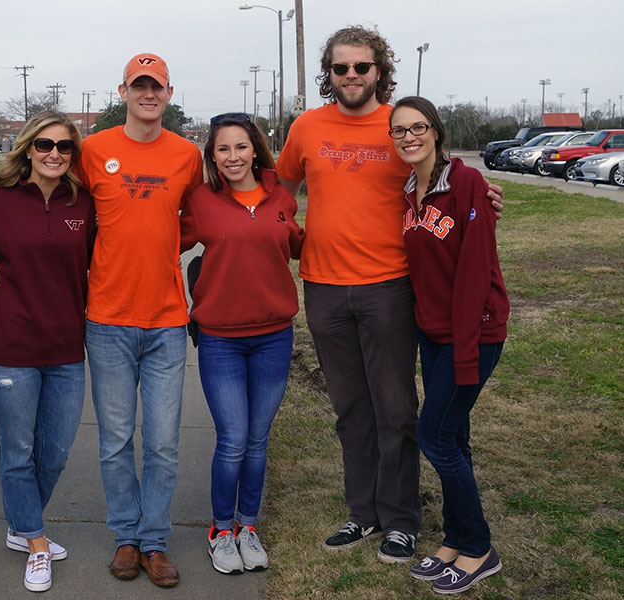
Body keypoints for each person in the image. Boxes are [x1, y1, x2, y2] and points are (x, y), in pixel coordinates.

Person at [276, 25, 504, 564]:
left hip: (390, 287)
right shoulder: (306, 127)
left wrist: (480, 193)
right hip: (324, 288)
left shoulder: (398, 125)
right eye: (340, 68)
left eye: (361, 67)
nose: (350, 76)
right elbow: (281, 190)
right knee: (350, 408)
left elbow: (441, 172)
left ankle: (401, 520)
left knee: (397, 407)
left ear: (380, 69)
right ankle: (363, 514)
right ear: (328, 74)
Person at [77, 52, 202, 588]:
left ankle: (155, 541)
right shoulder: (93, 148)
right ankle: (125, 536)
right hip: (106, 318)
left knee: (163, 442)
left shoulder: (187, 154)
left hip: (167, 319)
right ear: (124, 91)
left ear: (169, 94)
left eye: (157, 87)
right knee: (115, 439)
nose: (148, 94)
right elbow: (67, 212)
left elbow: (200, 217)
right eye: (139, 85)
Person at [0, 111, 96, 593]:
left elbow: (106, 260)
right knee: (17, 450)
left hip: (65, 349)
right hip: (10, 346)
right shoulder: (2, 200)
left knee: (54, 452)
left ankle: (22, 525)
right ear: (27, 150)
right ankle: (36, 542)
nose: (54, 154)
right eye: (44, 145)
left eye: (64, 146)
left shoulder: (84, 203)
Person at [390, 96, 508, 595]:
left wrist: (462, 350)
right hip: (434, 333)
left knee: (434, 436)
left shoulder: (466, 183)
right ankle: (456, 539)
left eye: (418, 127)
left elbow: (475, 273)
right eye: (399, 131)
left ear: (436, 131)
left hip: (474, 334)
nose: (409, 137)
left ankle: (479, 548)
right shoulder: (408, 191)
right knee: (453, 437)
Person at [180, 113, 304, 575]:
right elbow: (159, 242)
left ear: (256, 149)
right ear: (212, 157)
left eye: (240, 147)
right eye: (222, 150)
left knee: (257, 439)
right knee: (232, 440)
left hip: (274, 336)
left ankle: (248, 526)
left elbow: (302, 245)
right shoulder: (202, 201)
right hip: (221, 341)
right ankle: (221, 530)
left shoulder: (280, 199)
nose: (233, 157)